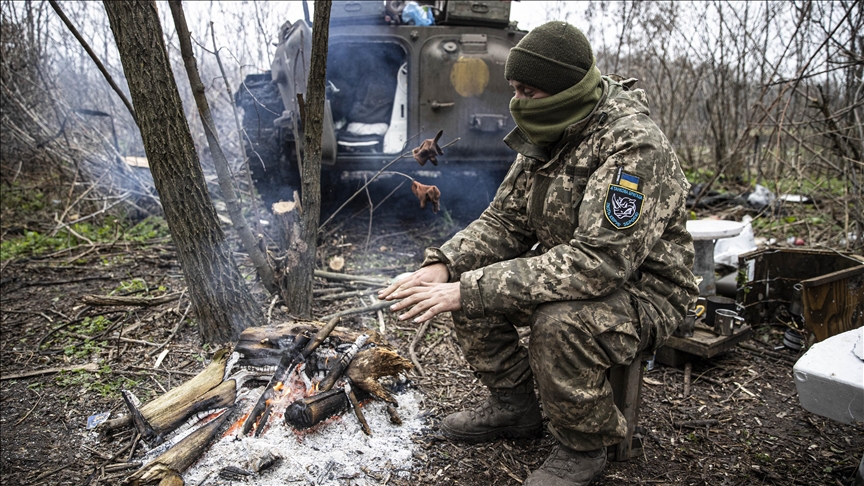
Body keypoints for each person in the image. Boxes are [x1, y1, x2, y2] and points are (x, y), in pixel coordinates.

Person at [379, 21, 698, 486]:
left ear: (566, 88)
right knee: (467, 286)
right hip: (573, 272)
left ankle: (584, 446)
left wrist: (470, 288)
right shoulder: (549, 129)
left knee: (556, 321)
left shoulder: (633, 146)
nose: (518, 103)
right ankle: (516, 409)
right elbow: (505, 221)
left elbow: (599, 262)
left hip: (644, 291)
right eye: (514, 90)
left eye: (529, 92)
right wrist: (444, 265)